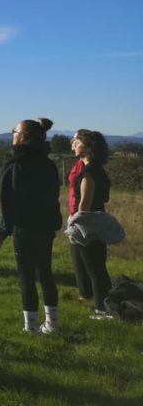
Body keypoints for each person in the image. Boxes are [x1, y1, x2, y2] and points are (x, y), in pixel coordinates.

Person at [0, 118, 62, 334]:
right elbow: (53, 197)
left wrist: (4, 230)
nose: (12, 134)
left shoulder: (16, 164)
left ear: (22, 137)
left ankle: (30, 327)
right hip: (46, 227)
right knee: (45, 274)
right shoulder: (48, 164)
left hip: (25, 228)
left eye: (15, 131)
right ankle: (52, 325)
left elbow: (9, 201)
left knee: (26, 277)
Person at [68, 129, 113, 319]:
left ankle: (102, 310)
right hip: (95, 221)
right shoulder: (96, 169)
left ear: (87, 147)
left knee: (94, 268)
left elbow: (84, 204)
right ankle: (104, 303)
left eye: (77, 141)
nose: (73, 144)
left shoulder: (89, 172)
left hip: (87, 224)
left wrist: (73, 222)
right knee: (94, 266)